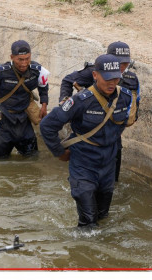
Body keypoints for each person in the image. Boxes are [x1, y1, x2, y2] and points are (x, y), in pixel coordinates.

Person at [40, 54, 133, 228]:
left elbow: (122, 124)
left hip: (108, 165)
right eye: (107, 78)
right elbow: (47, 125)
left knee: (103, 215)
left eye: (116, 78)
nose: (112, 83)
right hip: (83, 165)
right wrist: (59, 153)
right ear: (95, 75)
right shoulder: (80, 101)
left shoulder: (125, 97)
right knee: (89, 222)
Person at [58, 41, 140, 181]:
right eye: (118, 63)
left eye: (124, 64)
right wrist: (64, 100)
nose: (121, 67)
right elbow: (68, 80)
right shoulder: (93, 72)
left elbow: (134, 107)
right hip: (87, 132)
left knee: (112, 181)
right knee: (83, 182)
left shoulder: (131, 79)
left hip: (112, 136)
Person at [0, 40, 50, 158]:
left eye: (27, 58)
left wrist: (44, 104)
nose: (24, 63)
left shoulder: (37, 70)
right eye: (20, 59)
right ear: (12, 57)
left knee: (32, 157)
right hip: (1, 119)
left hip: (24, 119)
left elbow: (43, 86)